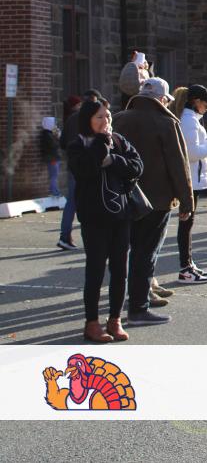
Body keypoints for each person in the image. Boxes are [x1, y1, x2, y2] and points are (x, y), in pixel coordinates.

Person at [114, 77, 194, 326]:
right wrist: (187, 201)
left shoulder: (119, 119)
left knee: (126, 252)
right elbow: (178, 165)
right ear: (162, 99)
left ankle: (128, 301)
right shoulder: (166, 122)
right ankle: (138, 307)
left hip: (123, 197)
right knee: (146, 253)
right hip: (157, 199)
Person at [67, 99, 143, 343]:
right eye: (99, 117)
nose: (105, 121)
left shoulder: (119, 141)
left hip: (121, 213)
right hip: (94, 217)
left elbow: (137, 167)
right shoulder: (78, 145)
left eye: (108, 116)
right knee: (96, 270)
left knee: (120, 269)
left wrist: (114, 160)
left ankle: (115, 319)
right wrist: (101, 143)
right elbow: (85, 170)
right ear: (87, 120)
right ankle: (92, 323)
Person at [176, 85, 207, 283]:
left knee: (187, 224)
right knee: (186, 224)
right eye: (206, 104)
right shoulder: (188, 120)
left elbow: (195, 146)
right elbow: (193, 153)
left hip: (193, 178)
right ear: (196, 101)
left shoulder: (191, 119)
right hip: (191, 179)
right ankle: (185, 267)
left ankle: (188, 265)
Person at [57, 93, 88, 251]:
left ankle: (65, 236)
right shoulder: (89, 118)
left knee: (72, 201)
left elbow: (62, 143)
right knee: (89, 201)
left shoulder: (70, 119)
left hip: (73, 165)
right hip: (87, 166)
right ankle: (91, 238)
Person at [40, 117, 61, 197]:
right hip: (52, 158)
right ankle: (55, 192)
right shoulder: (47, 135)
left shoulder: (47, 134)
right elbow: (54, 145)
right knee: (54, 176)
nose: (54, 125)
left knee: (53, 176)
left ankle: (54, 191)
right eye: (53, 123)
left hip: (52, 157)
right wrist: (57, 137)